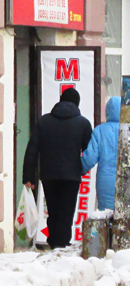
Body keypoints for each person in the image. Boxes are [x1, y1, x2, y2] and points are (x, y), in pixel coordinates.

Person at [22, 87, 93, 249]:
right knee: (66, 213)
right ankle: (61, 246)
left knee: (53, 211)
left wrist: (28, 177)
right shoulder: (83, 123)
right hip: (71, 176)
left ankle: (54, 242)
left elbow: (32, 150)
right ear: (77, 103)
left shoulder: (44, 121)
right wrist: (82, 168)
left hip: (49, 175)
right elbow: (89, 150)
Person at [81, 96, 121, 211]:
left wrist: (79, 168)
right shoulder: (127, 130)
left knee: (106, 217)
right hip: (126, 181)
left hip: (105, 181)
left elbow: (90, 158)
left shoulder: (100, 130)